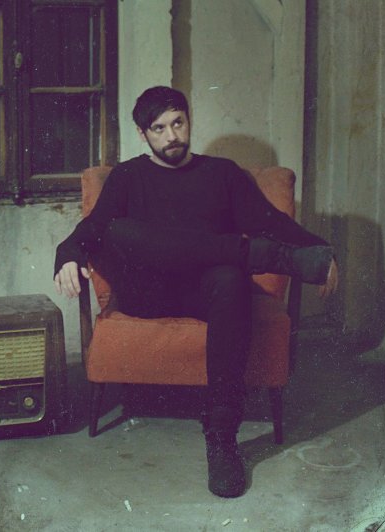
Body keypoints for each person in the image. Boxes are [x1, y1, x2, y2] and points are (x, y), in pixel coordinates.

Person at [54, 86, 338, 498]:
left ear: (188, 121)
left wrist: (320, 252)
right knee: (118, 231)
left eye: (178, 123)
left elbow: (270, 222)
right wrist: (66, 255)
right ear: (142, 134)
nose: (172, 136)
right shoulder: (128, 176)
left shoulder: (222, 174)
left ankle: (221, 437)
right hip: (148, 292)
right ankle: (263, 256)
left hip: (206, 292)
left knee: (230, 278)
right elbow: (92, 230)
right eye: (159, 128)